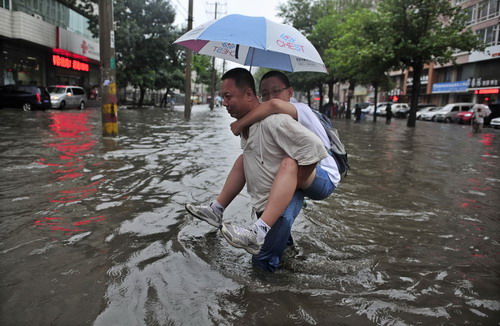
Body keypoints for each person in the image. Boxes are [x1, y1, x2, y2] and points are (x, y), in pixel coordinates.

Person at [186, 68, 329, 271]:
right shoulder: (250, 124)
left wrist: (291, 188)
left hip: (286, 200)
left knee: (262, 265)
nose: (224, 102)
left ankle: (268, 299)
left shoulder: (274, 120)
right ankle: (217, 209)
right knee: (243, 159)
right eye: (222, 97)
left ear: (249, 95)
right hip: (268, 204)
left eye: (228, 96)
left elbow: (314, 148)